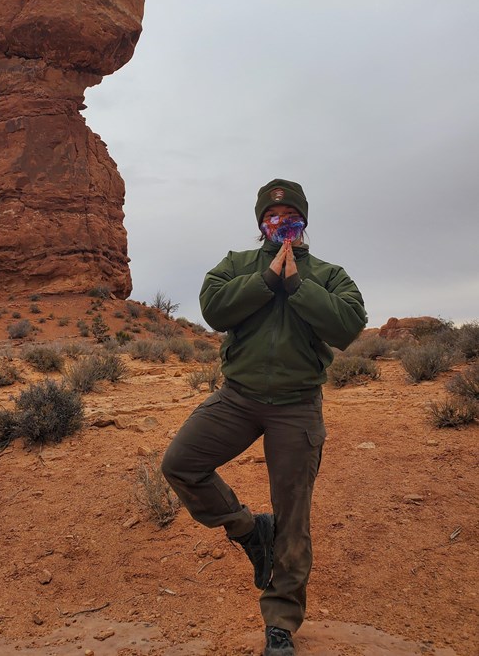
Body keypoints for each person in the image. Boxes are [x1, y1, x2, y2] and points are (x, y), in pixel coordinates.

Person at [162, 179, 366, 656]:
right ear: (260, 223)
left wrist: (297, 285)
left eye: (290, 216)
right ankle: (249, 529)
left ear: (304, 222)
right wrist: (267, 280)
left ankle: (281, 622)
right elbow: (213, 309)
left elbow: (348, 326)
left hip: (297, 406)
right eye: (272, 217)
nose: (281, 223)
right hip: (238, 398)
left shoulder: (330, 274)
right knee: (180, 463)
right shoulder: (234, 265)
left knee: (294, 519)